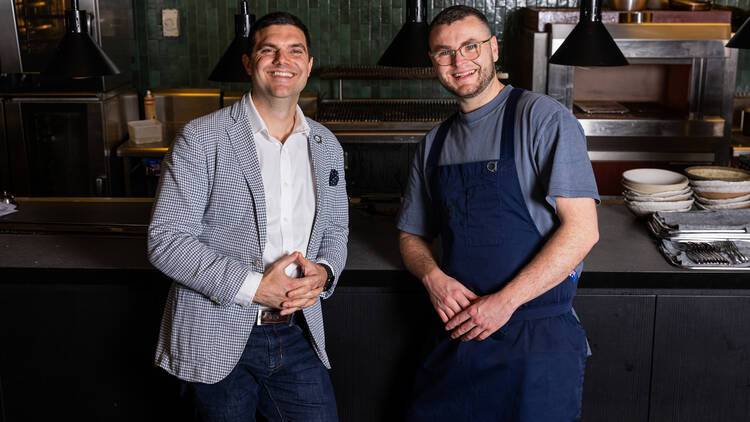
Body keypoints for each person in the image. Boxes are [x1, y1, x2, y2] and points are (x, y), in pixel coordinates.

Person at [396, 5, 600, 421]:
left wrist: (504, 302)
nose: (459, 61)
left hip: (535, 344)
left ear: (493, 50)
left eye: (470, 46)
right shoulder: (433, 145)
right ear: (433, 62)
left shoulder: (543, 118)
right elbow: (410, 236)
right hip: (457, 341)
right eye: (444, 52)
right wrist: (432, 277)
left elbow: (582, 233)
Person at [147, 12, 348, 421]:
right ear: (248, 62)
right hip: (217, 331)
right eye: (268, 50)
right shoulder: (201, 137)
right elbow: (166, 240)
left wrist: (324, 272)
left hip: (297, 334)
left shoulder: (326, 145)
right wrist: (256, 287)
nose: (282, 61)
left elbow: (337, 230)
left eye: (295, 51)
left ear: (308, 66)